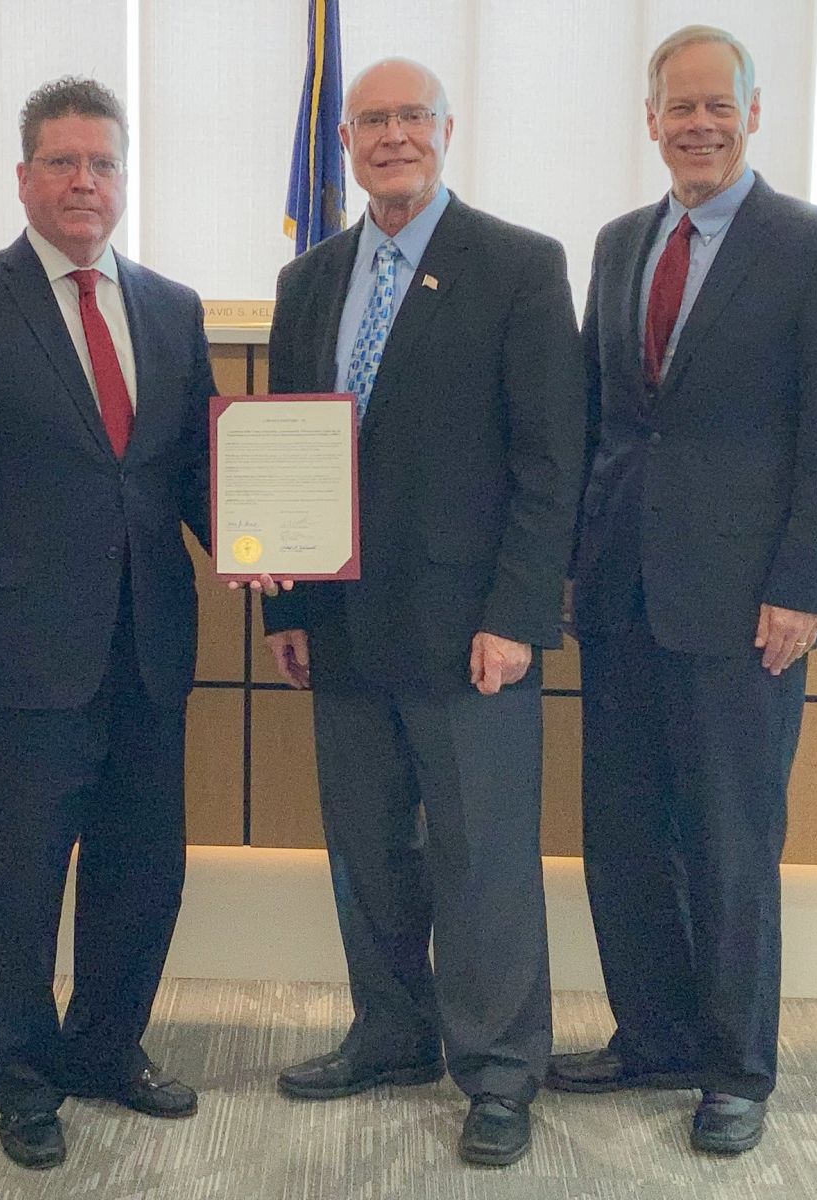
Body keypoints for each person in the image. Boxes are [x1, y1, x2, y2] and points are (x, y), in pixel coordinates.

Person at [549, 25, 817, 1156]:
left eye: (715, 107)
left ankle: (735, 1066)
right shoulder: (616, 243)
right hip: (620, 595)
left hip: (746, 610)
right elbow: (598, 420)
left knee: (730, 840)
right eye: (675, 106)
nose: (695, 124)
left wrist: (803, 586)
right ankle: (651, 1036)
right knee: (624, 834)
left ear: (750, 116)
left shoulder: (815, 245)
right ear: (648, 120)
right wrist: (564, 567)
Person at [0, 76, 216, 1171]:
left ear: (123, 179)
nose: (84, 182)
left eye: (102, 164)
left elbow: (195, 478)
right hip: (19, 659)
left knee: (143, 872)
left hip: (148, 649)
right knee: (19, 885)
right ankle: (23, 1082)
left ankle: (106, 1050)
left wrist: (274, 550)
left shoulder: (171, 307)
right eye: (62, 162)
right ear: (23, 177)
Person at [259, 57, 584, 1167]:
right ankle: (391, 1032)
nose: (390, 135)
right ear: (342, 141)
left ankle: (498, 1070)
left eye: (410, 118)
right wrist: (284, 609)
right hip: (342, 627)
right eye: (370, 122)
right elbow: (293, 454)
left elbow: (551, 463)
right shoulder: (307, 278)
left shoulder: (516, 265)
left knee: (481, 854)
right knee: (368, 850)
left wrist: (518, 615)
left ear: (445, 130)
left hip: (471, 632)